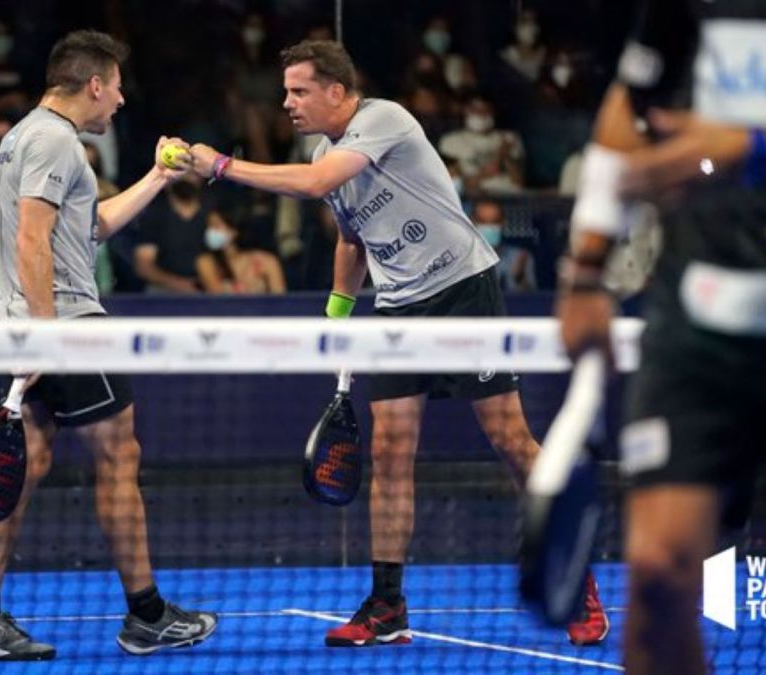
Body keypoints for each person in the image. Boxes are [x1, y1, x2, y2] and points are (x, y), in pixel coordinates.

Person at [189, 39, 608, 648]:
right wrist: (338, 314)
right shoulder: (324, 150)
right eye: (286, 92)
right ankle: (387, 606)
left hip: (463, 291)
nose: (287, 104)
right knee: (389, 452)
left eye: (299, 91)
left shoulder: (383, 119)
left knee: (511, 441)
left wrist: (222, 166)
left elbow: (315, 184)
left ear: (337, 91)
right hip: (398, 308)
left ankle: (578, 580)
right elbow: (350, 238)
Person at [556, 3, 766, 674]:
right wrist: (587, 268)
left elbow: (731, 146)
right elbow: (631, 105)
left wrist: (754, 147)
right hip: (699, 319)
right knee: (658, 572)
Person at [0, 29, 217, 661]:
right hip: (63, 324)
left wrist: (157, 175)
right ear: (94, 84)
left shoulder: (24, 137)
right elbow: (32, 240)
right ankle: (147, 614)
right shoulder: (54, 141)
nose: (120, 100)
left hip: (19, 322)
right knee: (119, 456)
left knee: (25, 462)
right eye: (116, 88)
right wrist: (47, 336)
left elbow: (90, 227)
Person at [194, 215, 286, 294]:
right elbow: (218, 300)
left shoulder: (267, 261)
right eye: (208, 227)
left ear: (233, 231)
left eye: (216, 226)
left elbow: (280, 301)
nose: (210, 232)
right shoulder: (206, 262)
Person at [473, 200, 536, 292]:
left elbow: (533, 298)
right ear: (473, 223)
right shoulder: (463, 262)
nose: (488, 227)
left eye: (494, 222)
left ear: (503, 223)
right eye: (483, 222)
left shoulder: (520, 256)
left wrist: (519, 278)